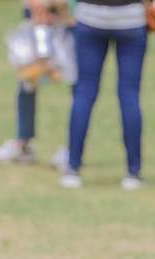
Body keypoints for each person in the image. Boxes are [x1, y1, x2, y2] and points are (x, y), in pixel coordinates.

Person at [61, 0, 148, 190]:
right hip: (131, 18)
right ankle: (133, 173)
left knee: (84, 93)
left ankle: (72, 168)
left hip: (89, 17)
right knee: (129, 95)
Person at [0, 0, 70, 170]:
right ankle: (23, 144)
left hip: (68, 20)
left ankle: (73, 149)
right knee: (27, 80)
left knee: (78, 86)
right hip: (36, 19)